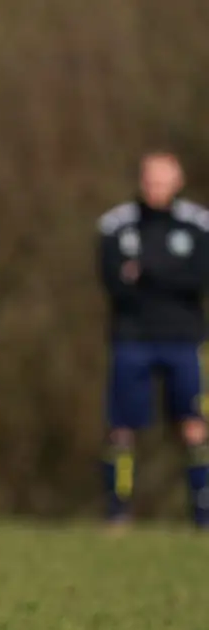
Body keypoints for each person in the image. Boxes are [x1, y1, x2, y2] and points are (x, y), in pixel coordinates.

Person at [98, 151, 209, 530]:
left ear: (177, 182)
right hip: (132, 337)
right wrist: (167, 275)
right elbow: (114, 282)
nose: (155, 188)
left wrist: (147, 271)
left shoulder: (198, 224)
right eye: (150, 180)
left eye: (163, 180)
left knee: (193, 424)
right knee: (122, 427)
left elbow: (197, 279)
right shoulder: (115, 225)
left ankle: (203, 514)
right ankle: (117, 512)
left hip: (183, 337)